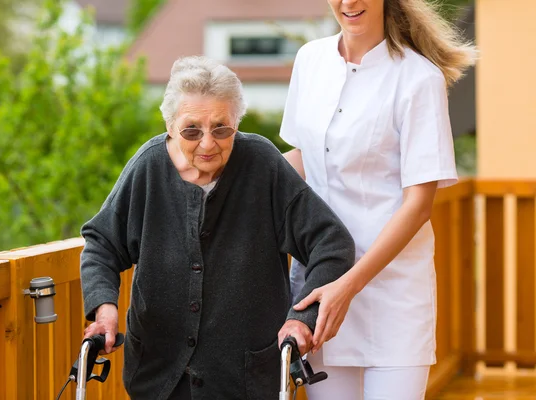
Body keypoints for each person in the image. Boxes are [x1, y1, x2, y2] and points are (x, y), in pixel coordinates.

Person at [79, 55, 355, 399]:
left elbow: (331, 243)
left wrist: (303, 318)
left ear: (237, 124)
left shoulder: (261, 165)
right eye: (192, 130)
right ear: (169, 126)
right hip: (159, 377)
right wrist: (105, 309)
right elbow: (102, 244)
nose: (208, 143)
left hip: (244, 378)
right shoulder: (148, 168)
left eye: (221, 129)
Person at [279, 0, 477, 398]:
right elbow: (300, 159)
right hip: (320, 291)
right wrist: (225, 182)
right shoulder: (310, 60)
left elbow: (419, 204)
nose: (348, 3)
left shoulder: (418, 77)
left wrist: (348, 286)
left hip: (393, 300)